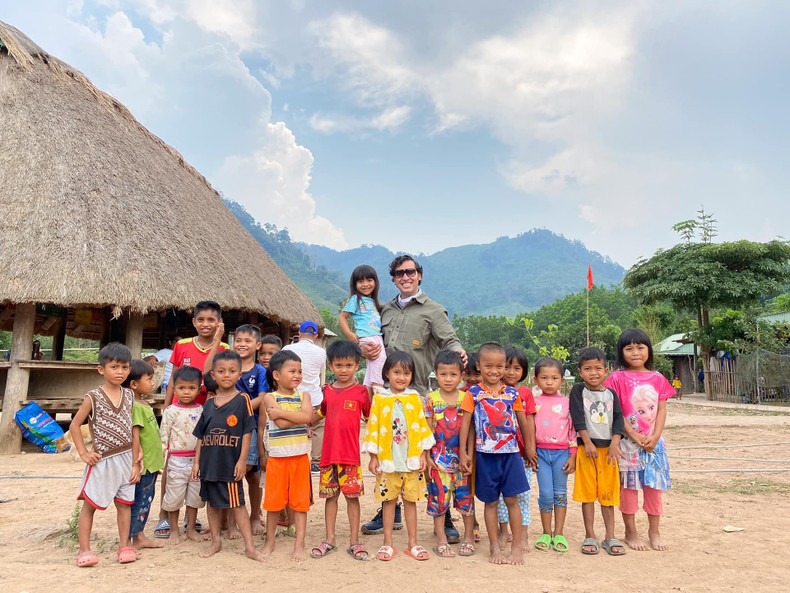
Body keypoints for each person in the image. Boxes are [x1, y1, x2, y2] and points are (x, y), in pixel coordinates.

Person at [360, 254, 466, 539]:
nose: (404, 277)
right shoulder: (384, 310)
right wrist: (363, 349)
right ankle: (388, 512)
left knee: (428, 458)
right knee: (388, 452)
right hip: (386, 395)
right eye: (398, 273)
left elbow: (450, 341)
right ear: (393, 278)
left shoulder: (433, 310)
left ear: (419, 275)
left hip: (418, 396)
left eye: (410, 271)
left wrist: (459, 351)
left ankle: (443, 518)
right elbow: (370, 341)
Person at [459, 343, 533, 566]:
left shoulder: (513, 393)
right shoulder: (472, 393)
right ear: (479, 366)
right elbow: (466, 425)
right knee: (490, 503)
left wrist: (529, 447)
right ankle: (494, 546)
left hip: (510, 455)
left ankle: (517, 545)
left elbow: (524, 422)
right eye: (488, 366)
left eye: (500, 366)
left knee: (513, 500)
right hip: (485, 456)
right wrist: (464, 453)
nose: (495, 371)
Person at [69, 343, 141, 567]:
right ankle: (84, 550)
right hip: (102, 461)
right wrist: (84, 452)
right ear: (101, 369)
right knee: (89, 505)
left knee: (124, 504)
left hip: (126, 459)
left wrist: (138, 460)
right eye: (114, 366)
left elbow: (134, 429)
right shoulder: (93, 397)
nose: (120, 371)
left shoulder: (130, 396)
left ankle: (124, 546)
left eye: (125, 367)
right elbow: (74, 425)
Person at [604, 329, 675, 552]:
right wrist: (633, 435)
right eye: (629, 348)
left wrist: (655, 437)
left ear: (649, 350)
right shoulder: (616, 378)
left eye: (640, 347)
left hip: (654, 446)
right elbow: (615, 411)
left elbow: (662, 410)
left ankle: (654, 531)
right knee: (629, 489)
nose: (635, 353)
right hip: (627, 445)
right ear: (621, 352)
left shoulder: (658, 378)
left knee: (654, 488)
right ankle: (631, 531)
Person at [363, 352, 435, 561]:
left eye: (406, 373)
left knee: (411, 502)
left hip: (411, 461)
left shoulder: (414, 399)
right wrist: (373, 456)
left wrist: (423, 453)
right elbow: (373, 427)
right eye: (396, 372)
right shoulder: (380, 399)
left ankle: (413, 543)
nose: (401, 377)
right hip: (388, 462)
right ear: (387, 373)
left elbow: (422, 428)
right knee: (388, 501)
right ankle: (388, 544)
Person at [191, 351, 261, 561]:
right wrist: (196, 463)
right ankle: (215, 542)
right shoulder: (209, 404)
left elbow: (248, 431)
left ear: (239, 375)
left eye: (232, 371)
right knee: (212, 503)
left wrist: (242, 460)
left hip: (230, 464)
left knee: (237, 504)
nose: (227, 375)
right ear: (213, 375)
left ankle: (250, 547)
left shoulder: (243, 400)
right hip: (208, 463)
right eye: (221, 371)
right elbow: (201, 436)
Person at [310, 340, 371, 561]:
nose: (343, 370)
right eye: (338, 365)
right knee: (330, 498)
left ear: (357, 365)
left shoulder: (362, 392)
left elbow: (370, 419)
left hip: (350, 458)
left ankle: (354, 541)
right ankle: (330, 539)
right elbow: (320, 414)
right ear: (330, 366)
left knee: (352, 498)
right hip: (328, 457)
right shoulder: (326, 391)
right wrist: (304, 423)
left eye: (348, 365)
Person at [570, 347, 625, 556]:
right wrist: (586, 441)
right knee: (587, 496)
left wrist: (615, 442)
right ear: (580, 371)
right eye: (587, 368)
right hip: (587, 450)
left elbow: (619, 417)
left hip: (609, 452)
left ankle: (610, 536)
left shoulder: (611, 394)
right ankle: (590, 535)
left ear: (606, 369)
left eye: (598, 368)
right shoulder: (578, 391)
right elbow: (577, 416)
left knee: (608, 496)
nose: (593, 373)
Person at [260, 350, 314, 563]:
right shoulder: (269, 397)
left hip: (300, 457)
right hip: (278, 458)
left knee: (300, 504)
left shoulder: (305, 396)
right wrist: (298, 417)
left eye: (299, 371)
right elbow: (283, 424)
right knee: (273, 503)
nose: (297, 375)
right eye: (292, 371)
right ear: (276, 375)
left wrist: (282, 413)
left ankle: (299, 544)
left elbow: (308, 417)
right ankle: (269, 541)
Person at [424, 350, 475, 558]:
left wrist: (468, 454)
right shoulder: (430, 399)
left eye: (453, 374)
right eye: (443, 374)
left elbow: (471, 429)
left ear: (461, 375)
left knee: (466, 501)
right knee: (439, 501)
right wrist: (426, 457)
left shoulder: (467, 398)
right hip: (438, 463)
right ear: (435, 373)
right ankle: (441, 539)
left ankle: (469, 537)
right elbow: (426, 431)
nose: (448, 379)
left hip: (462, 463)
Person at [530, 357, 576, 553]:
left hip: (562, 454)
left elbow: (573, 430)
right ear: (535, 379)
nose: (549, 382)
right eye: (544, 378)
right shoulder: (532, 402)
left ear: (562, 381)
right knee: (546, 494)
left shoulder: (567, 403)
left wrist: (573, 455)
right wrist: (530, 451)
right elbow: (528, 428)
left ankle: (559, 533)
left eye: (554, 378)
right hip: (540, 453)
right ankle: (546, 532)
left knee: (560, 494)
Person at [495, 346, 537, 552]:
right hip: (499, 453)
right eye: (507, 367)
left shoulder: (525, 393)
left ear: (524, 371)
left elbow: (529, 421)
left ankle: (524, 535)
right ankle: (504, 532)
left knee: (522, 495)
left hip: (521, 454)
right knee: (501, 496)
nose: (511, 372)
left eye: (517, 368)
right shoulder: (494, 391)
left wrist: (530, 448)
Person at [159, 365, 205, 544]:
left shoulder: (201, 410)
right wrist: (162, 461)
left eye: (191, 388)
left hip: (197, 460)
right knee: (174, 496)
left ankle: (191, 528)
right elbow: (164, 436)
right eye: (182, 388)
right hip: (176, 461)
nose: (186, 392)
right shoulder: (170, 411)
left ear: (199, 389)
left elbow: (204, 437)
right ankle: (174, 530)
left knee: (194, 497)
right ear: (174, 389)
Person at [123, 359, 165, 551]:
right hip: (144, 465)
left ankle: (137, 535)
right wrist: (136, 462)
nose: (152, 383)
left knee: (145, 499)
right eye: (148, 379)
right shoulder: (136, 407)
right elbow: (135, 436)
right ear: (133, 384)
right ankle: (136, 537)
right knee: (142, 501)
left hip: (152, 464)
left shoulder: (143, 404)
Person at [230, 324, 268, 536]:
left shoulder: (260, 371)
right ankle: (231, 520)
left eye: (248, 341)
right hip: (227, 428)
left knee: (252, 475)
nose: (242, 344)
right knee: (229, 473)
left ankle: (255, 515)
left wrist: (240, 410)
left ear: (257, 345)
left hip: (250, 427)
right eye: (239, 340)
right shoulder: (228, 365)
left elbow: (262, 397)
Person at [283, 321, 327, 472]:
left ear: (299, 334)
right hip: (314, 396)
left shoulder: (288, 349)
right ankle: (316, 462)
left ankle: (292, 460)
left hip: (293, 395)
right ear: (315, 336)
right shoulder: (321, 352)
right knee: (318, 428)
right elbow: (321, 371)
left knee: (292, 426)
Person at [166, 301, 228, 408]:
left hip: (210, 408)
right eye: (200, 320)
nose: (205, 324)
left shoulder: (224, 349)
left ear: (220, 322)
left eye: (211, 320)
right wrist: (166, 406)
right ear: (194, 322)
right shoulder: (181, 345)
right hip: (180, 408)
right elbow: (173, 378)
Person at [338, 264, 386, 391]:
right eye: (360, 281)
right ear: (355, 284)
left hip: (376, 336)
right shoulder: (355, 299)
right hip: (367, 336)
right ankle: (379, 393)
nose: (365, 284)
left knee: (372, 370)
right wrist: (349, 334)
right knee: (380, 360)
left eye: (369, 280)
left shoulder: (374, 302)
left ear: (375, 282)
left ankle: (368, 400)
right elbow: (342, 317)